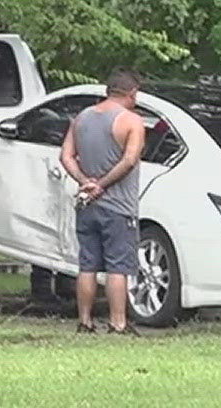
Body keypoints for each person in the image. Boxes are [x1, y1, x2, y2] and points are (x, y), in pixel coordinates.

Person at [60, 67, 146, 334]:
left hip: (87, 205)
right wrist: (102, 184)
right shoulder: (131, 121)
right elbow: (129, 160)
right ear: (131, 93)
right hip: (118, 207)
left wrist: (84, 181)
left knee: (87, 265)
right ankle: (117, 322)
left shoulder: (82, 118)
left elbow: (66, 156)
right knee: (117, 267)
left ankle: (85, 321)